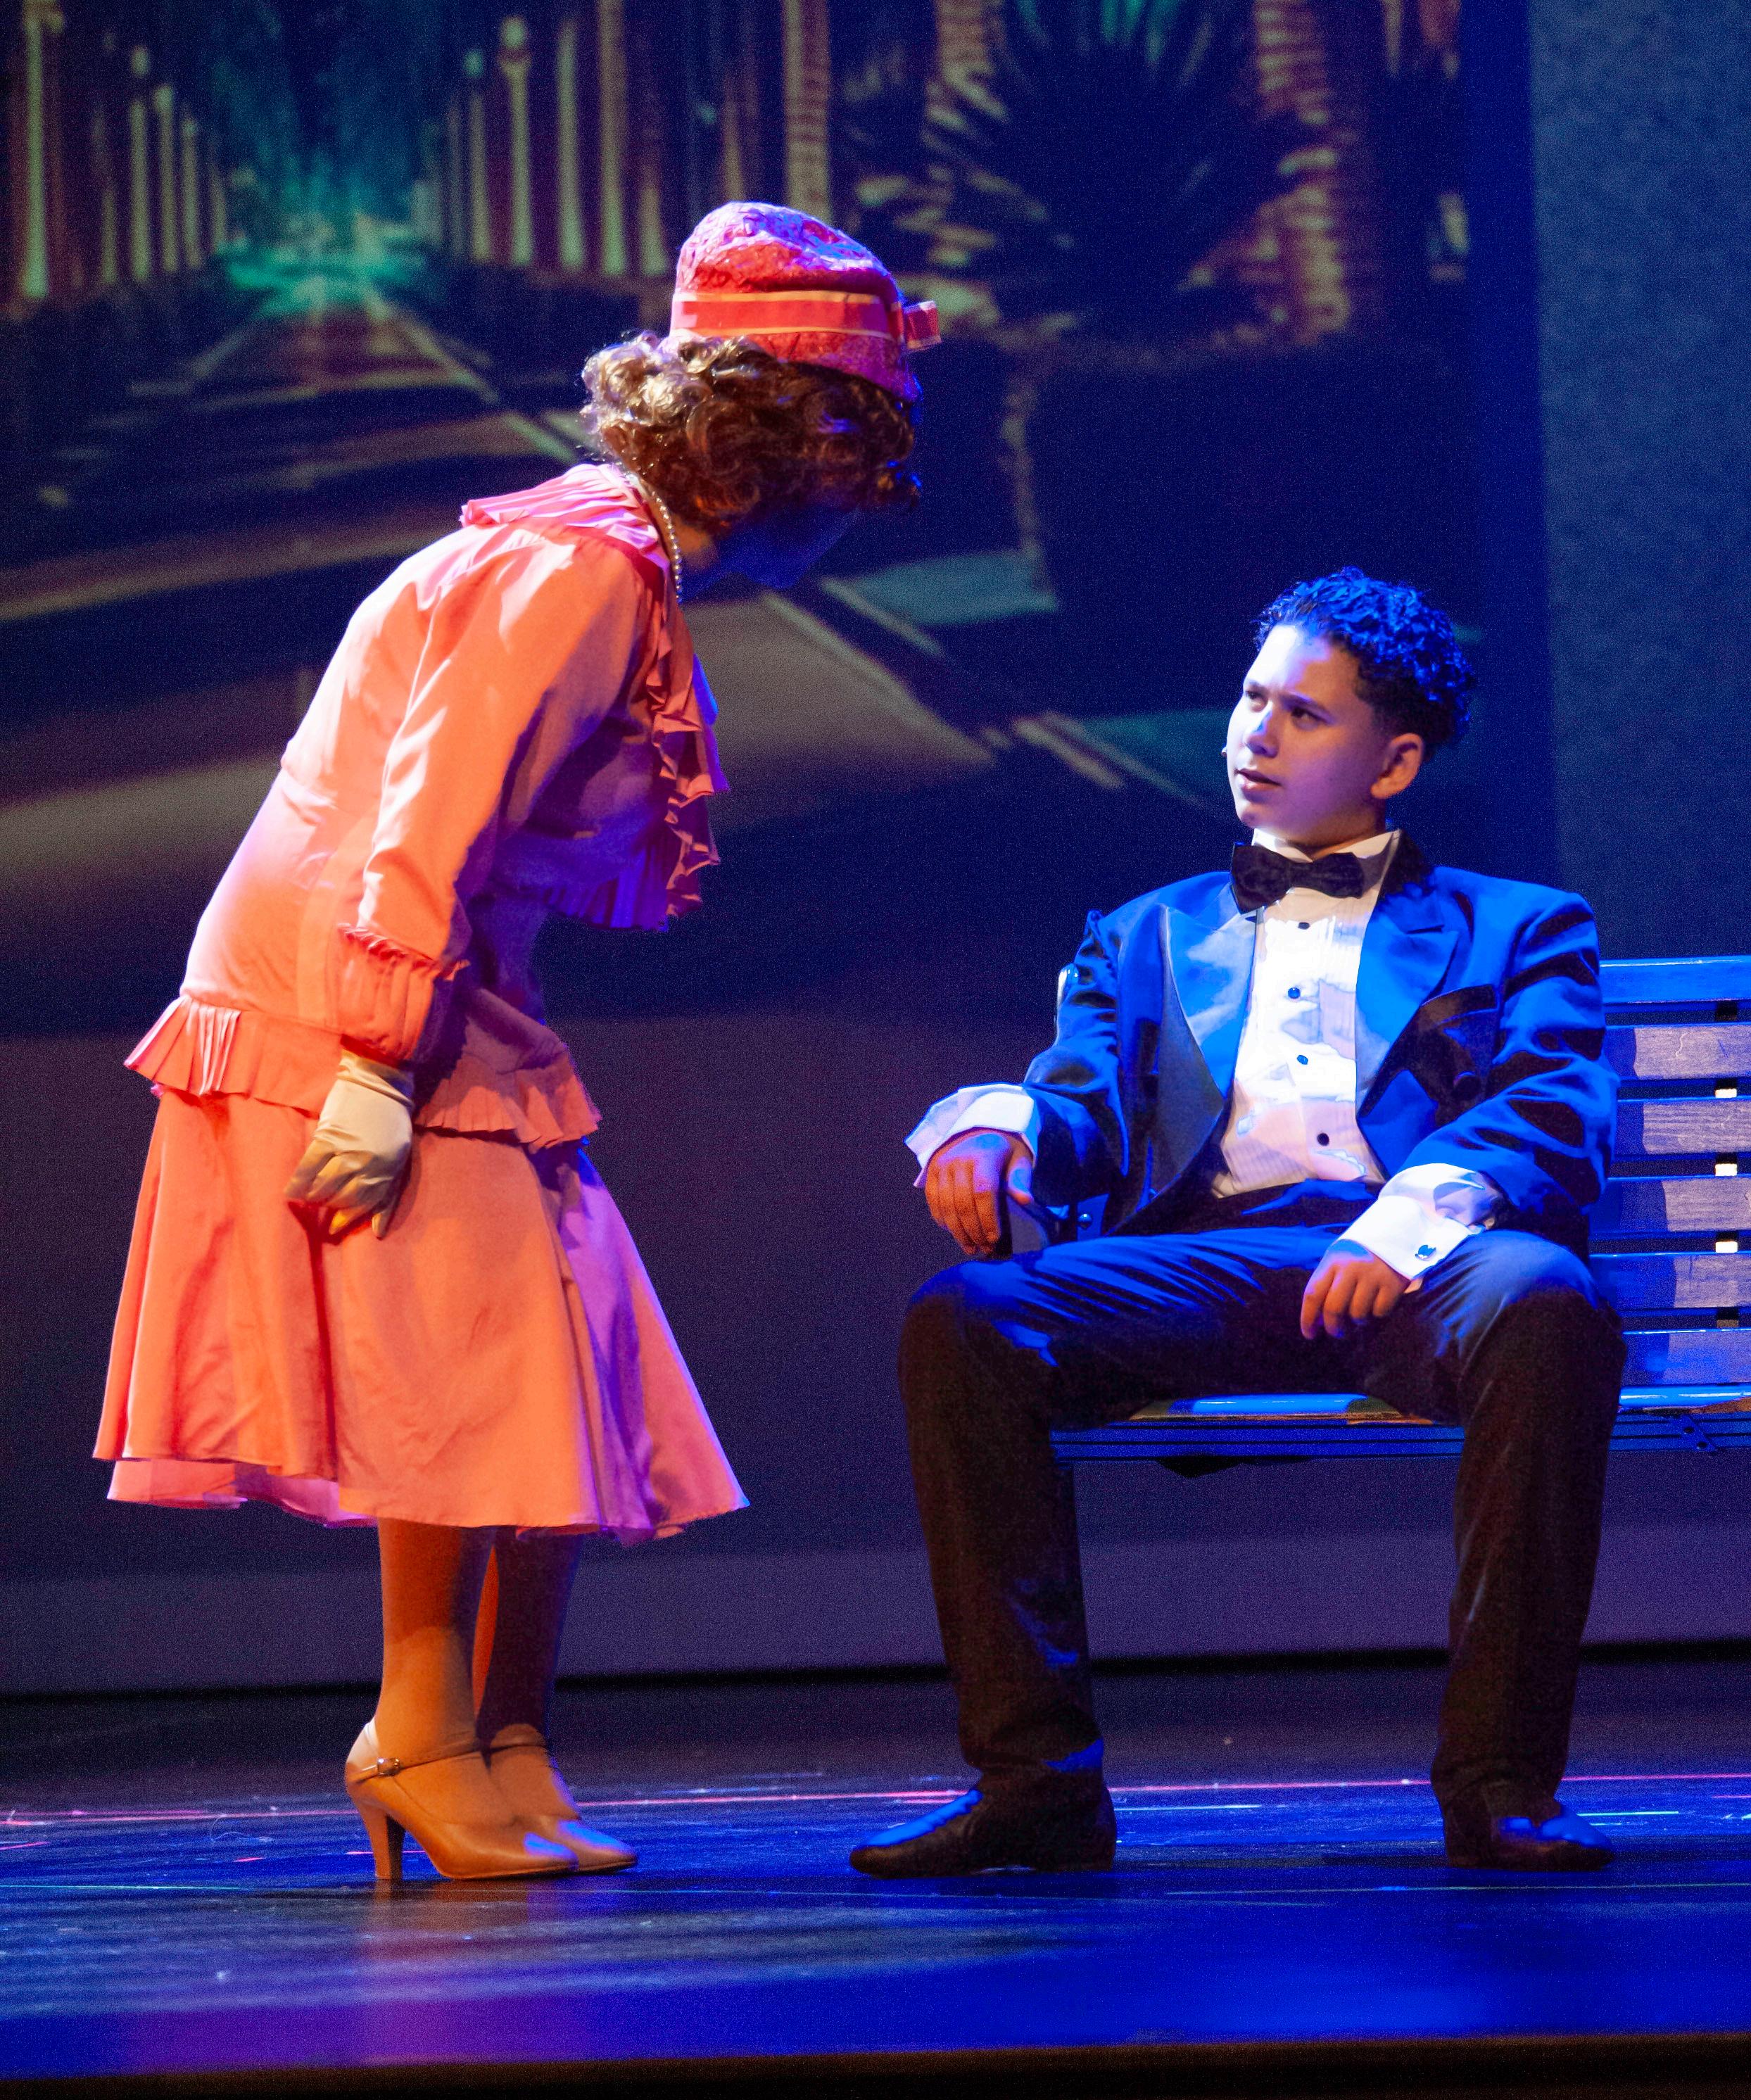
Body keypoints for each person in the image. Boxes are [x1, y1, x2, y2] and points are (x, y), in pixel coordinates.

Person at [96, 202, 939, 1883]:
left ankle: (507, 1734)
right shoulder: (576, 572)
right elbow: (431, 820)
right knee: (465, 1366)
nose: (863, 496)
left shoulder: (607, 559)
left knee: (565, 1340)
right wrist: (373, 1062)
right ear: (785, 440)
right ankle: (415, 1739)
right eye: (857, 447)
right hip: (353, 985)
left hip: (436, 982)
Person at [853, 569, 1626, 1878]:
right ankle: (1036, 1784)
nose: (1256, 736)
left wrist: (1406, 1222)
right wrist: (995, 1127)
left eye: (1304, 714)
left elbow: (1550, 1104)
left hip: (1422, 1266)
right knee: (967, 1317)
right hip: (1203, 1270)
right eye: (1252, 700)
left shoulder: (1521, 925)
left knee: (1547, 1302)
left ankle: (1500, 1783)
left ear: (1395, 762)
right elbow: (1080, 1102)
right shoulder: (1143, 934)